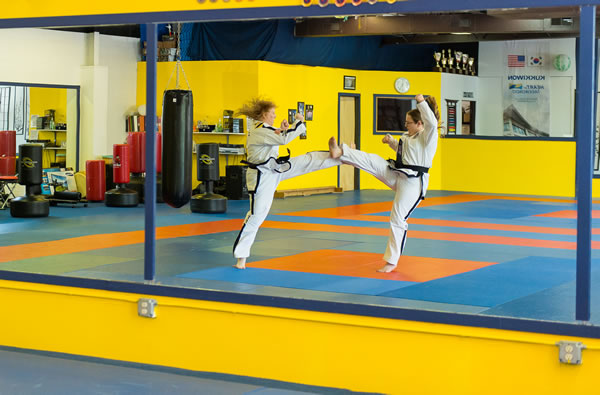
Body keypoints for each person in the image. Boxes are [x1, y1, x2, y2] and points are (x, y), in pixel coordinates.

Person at [329, 94, 440, 273]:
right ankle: (342, 152)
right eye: (405, 122)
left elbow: (432, 123)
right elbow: (404, 152)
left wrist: (421, 103)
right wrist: (391, 142)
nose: (405, 125)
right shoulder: (407, 136)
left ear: (420, 124)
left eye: (409, 122)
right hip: (398, 173)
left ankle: (392, 261)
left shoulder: (428, 137)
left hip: (413, 183)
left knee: (397, 218)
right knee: (373, 160)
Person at [233, 98, 342, 269]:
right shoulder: (258, 130)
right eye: (272, 114)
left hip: (275, 168)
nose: (275, 116)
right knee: (256, 216)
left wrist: (285, 128)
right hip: (262, 176)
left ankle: (342, 156)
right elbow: (284, 140)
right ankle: (241, 257)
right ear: (263, 115)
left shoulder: (265, 129)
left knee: (307, 161)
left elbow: (279, 134)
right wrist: (298, 121)